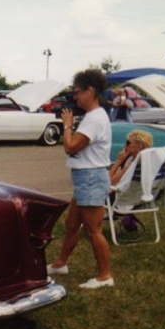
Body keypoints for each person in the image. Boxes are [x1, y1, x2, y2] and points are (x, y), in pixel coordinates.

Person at [47, 68, 113, 289]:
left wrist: (67, 124)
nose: (75, 97)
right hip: (86, 177)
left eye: (77, 92)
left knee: (93, 230)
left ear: (90, 91)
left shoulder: (94, 119)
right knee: (72, 224)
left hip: (91, 177)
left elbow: (70, 146)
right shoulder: (93, 117)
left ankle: (105, 276)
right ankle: (60, 264)